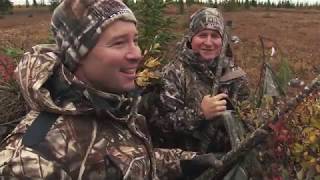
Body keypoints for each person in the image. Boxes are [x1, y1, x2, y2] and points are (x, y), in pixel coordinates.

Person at [0, 1, 219, 179]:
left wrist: (185, 162)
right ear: (78, 55)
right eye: (118, 43)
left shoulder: (113, 107)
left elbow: (126, 161)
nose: (136, 54)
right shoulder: (32, 158)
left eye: (135, 40)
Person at [149, 8, 250, 154]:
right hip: (185, 164)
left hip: (229, 159)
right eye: (202, 35)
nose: (208, 42)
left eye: (215, 36)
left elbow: (248, 120)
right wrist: (200, 113)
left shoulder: (236, 76)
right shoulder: (174, 73)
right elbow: (160, 126)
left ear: (223, 41)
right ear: (191, 38)